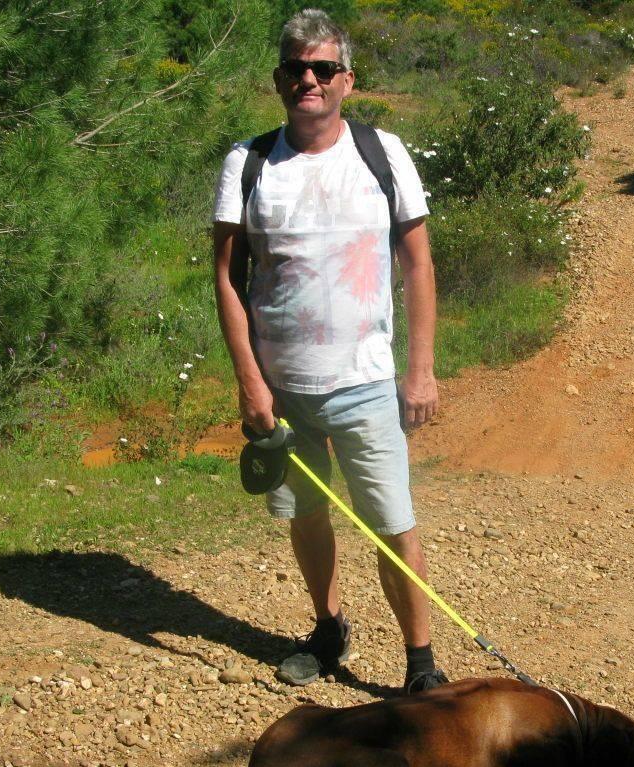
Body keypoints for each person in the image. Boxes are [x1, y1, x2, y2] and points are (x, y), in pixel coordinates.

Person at [212, 8, 449, 693]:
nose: (307, 80)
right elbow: (227, 278)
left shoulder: (383, 153)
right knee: (307, 516)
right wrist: (250, 382)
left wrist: (421, 371)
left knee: (392, 524)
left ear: (347, 79)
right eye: (295, 68)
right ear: (279, 80)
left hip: (367, 381)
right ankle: (328, 627)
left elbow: (419, 267)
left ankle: (422, 665)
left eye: (321, 68)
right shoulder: (249, 162)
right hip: (283, 390)